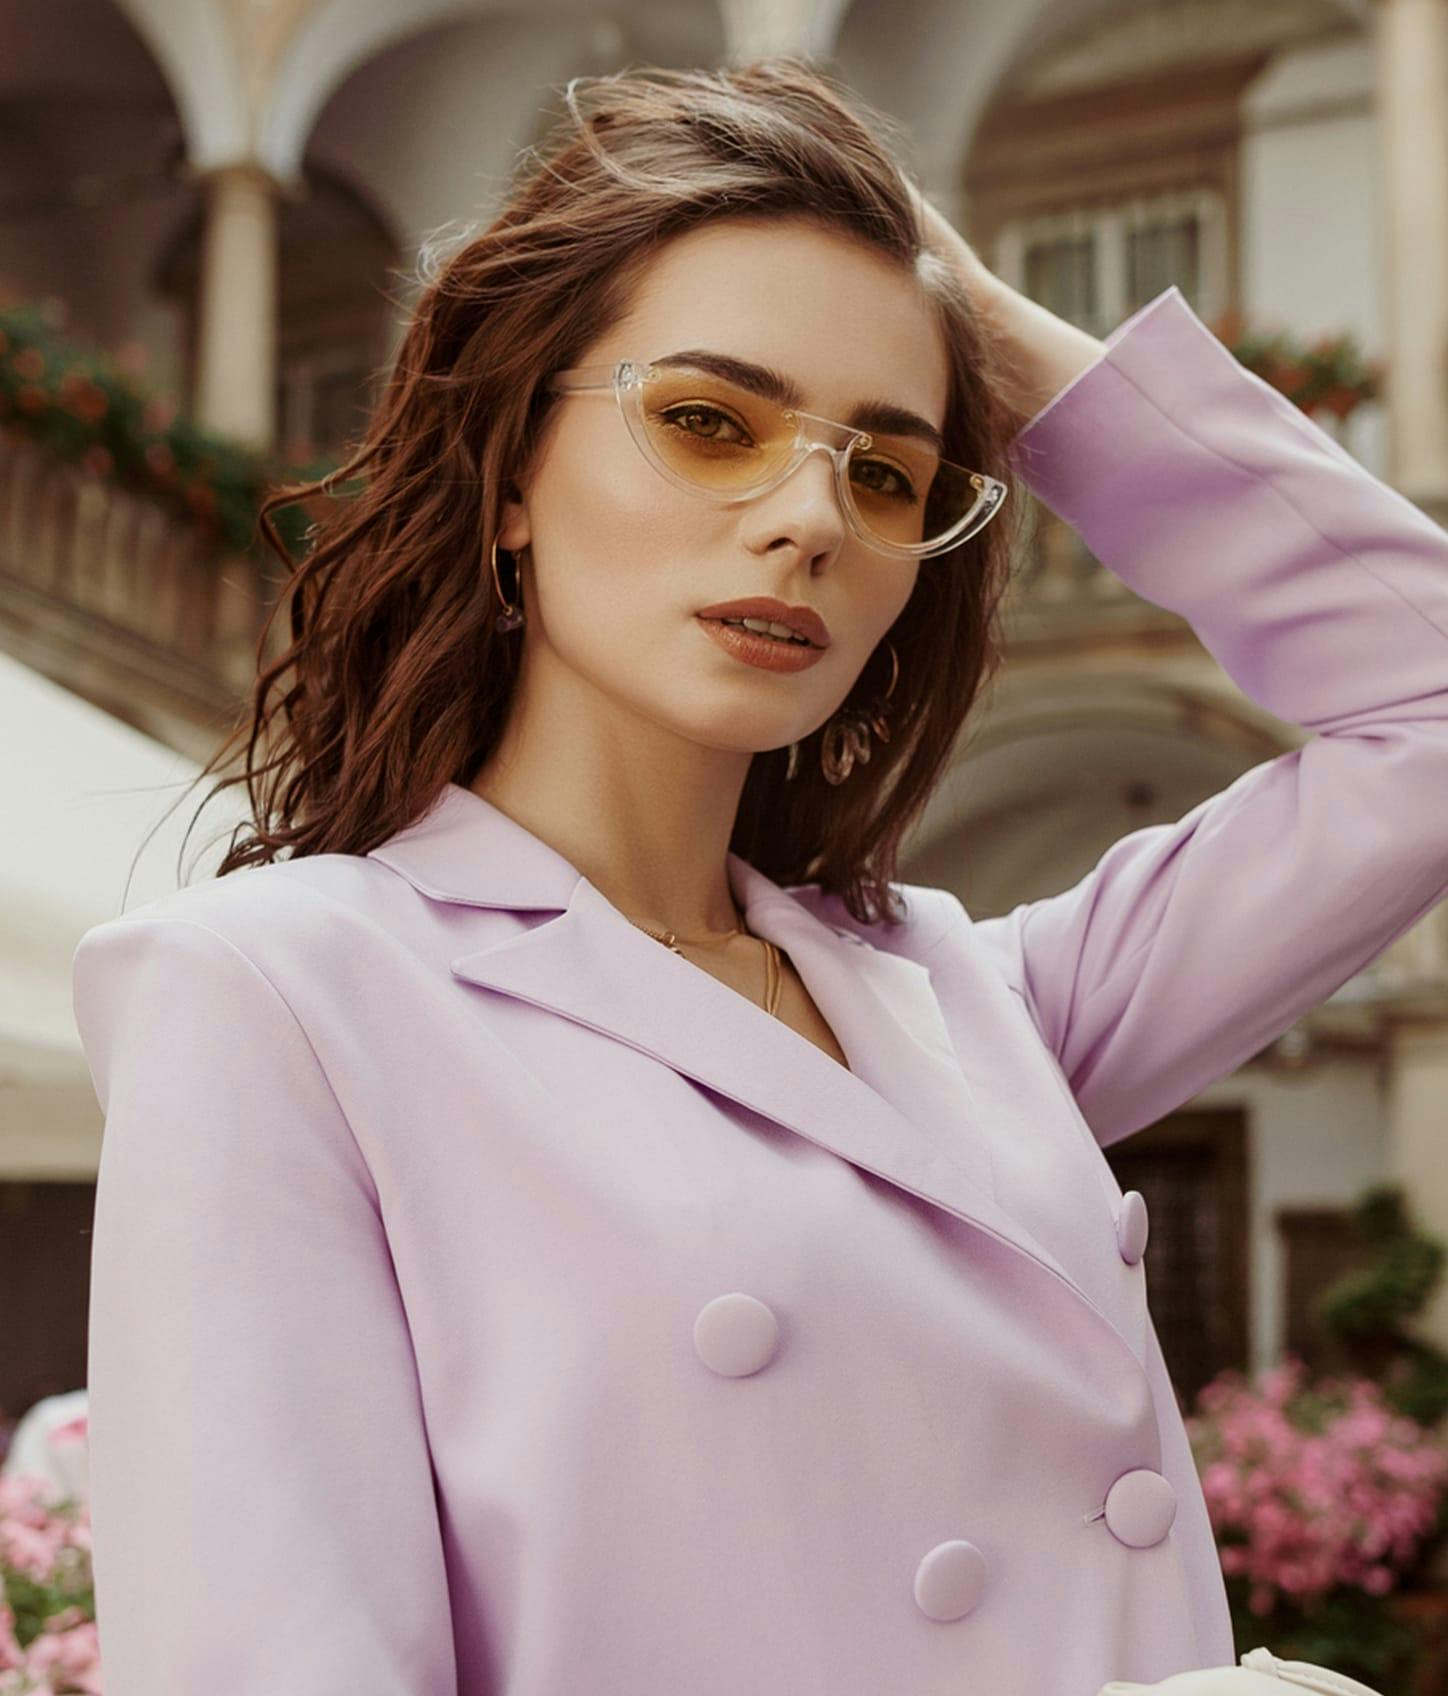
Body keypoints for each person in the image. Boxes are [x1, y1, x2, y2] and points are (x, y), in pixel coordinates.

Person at [70, 57, 1443, 1696]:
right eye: (710, 421)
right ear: (509, 473)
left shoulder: (971, 1006)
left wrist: (975, 322)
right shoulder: (286, 996)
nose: (809, 518)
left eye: (886, 468)